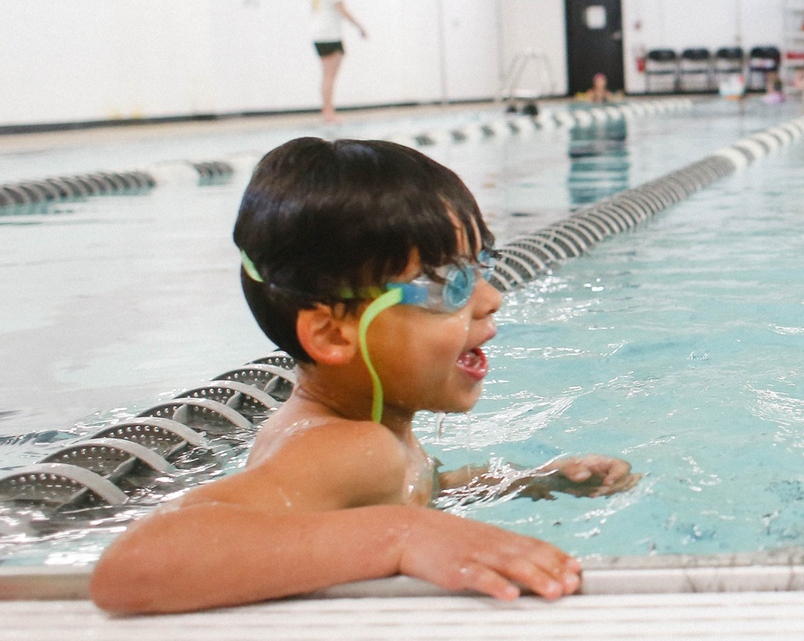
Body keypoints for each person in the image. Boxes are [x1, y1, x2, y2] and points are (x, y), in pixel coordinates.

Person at [89, 138, 638, 615]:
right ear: (332, 335)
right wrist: (405, 536)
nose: (490, 299)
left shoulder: (362, 428)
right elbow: (132, 564)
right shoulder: (353, 446)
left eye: (482, 267)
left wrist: (526, 481)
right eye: (448, 282)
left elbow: (400, 491)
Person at [311, 0, 367, 124]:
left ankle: (326, 110)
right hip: (330, 34)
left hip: (318, 33)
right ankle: (329, 112)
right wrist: (359, 26)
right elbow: (341, 8)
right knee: (330, 76)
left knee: (326, 75)